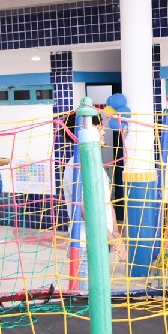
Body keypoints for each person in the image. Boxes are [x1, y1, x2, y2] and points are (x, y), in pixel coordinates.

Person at [62, 111, 127, 271]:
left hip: (101, 241)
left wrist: (116, 235)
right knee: (85, 287)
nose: (103, 132)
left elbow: (107, 202)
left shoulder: (95, 163)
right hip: (85, 244)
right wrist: (113, 240)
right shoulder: (76, 165)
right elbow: (86, 210)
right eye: (98, 128)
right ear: (82, 133)